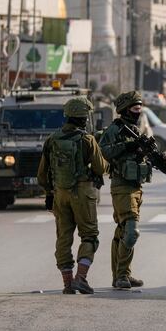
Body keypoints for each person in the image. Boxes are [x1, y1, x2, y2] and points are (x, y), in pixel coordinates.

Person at [37, 96, 108, 295]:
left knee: (63, 238)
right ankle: (81, 278)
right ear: (84, 118)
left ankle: (68, 284)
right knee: (89, 236)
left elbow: (42, 175)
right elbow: (100, 168)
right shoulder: (88, 140)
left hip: (60, 194)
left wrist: (49, 194)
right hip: (83, 193)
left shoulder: (52, 139)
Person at [99, 91, 150, 290]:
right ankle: (120, 275)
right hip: (122, 186)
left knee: (123, 231)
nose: (138, 112)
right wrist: (127, 146)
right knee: (131, 232)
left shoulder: (136, 129)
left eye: (140, 108)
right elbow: (103, 151)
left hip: (136, 186)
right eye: (135, 108)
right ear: (125, 109)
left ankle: (123, 275)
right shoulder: (115, 129)